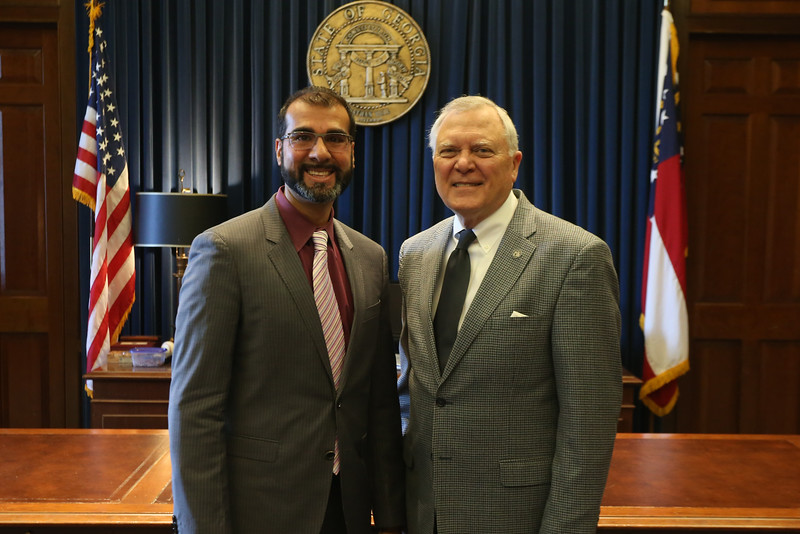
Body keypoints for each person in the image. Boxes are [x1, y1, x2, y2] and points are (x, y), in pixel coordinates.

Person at [169, 86, 405, 534]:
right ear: (280, 149)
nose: (320, 152)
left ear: (352, 152)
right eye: (303, 138)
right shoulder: (224, 250)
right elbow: (195, 409)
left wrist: (390, 516)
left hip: (347, 510)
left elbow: (377, 403)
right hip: (257, 511)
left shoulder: (369, 257)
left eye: (336, 139)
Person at [397, 95, 622, 533]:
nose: (463, 164)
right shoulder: (415, 253)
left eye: (482, 150)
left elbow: (588, 420)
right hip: (423, 510)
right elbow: (417, 389)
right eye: (448, 151)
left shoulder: (575, 255)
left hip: (516, 515)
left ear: (514, 163)